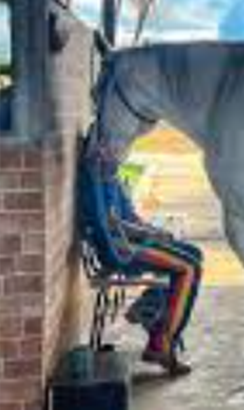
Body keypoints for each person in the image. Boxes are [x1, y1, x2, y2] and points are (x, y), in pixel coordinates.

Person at [79, 133, 202, 376]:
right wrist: (150, 235)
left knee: (193, 254)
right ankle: (162, 344)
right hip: (119, 250)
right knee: (188, 269)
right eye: (111, 146)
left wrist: (153, 231)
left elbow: (128, 218)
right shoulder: (95, 177)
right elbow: (113, 225)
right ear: (99, 148)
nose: (118, 151)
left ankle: (150, 309)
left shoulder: (110, 175)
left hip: (129, 241)